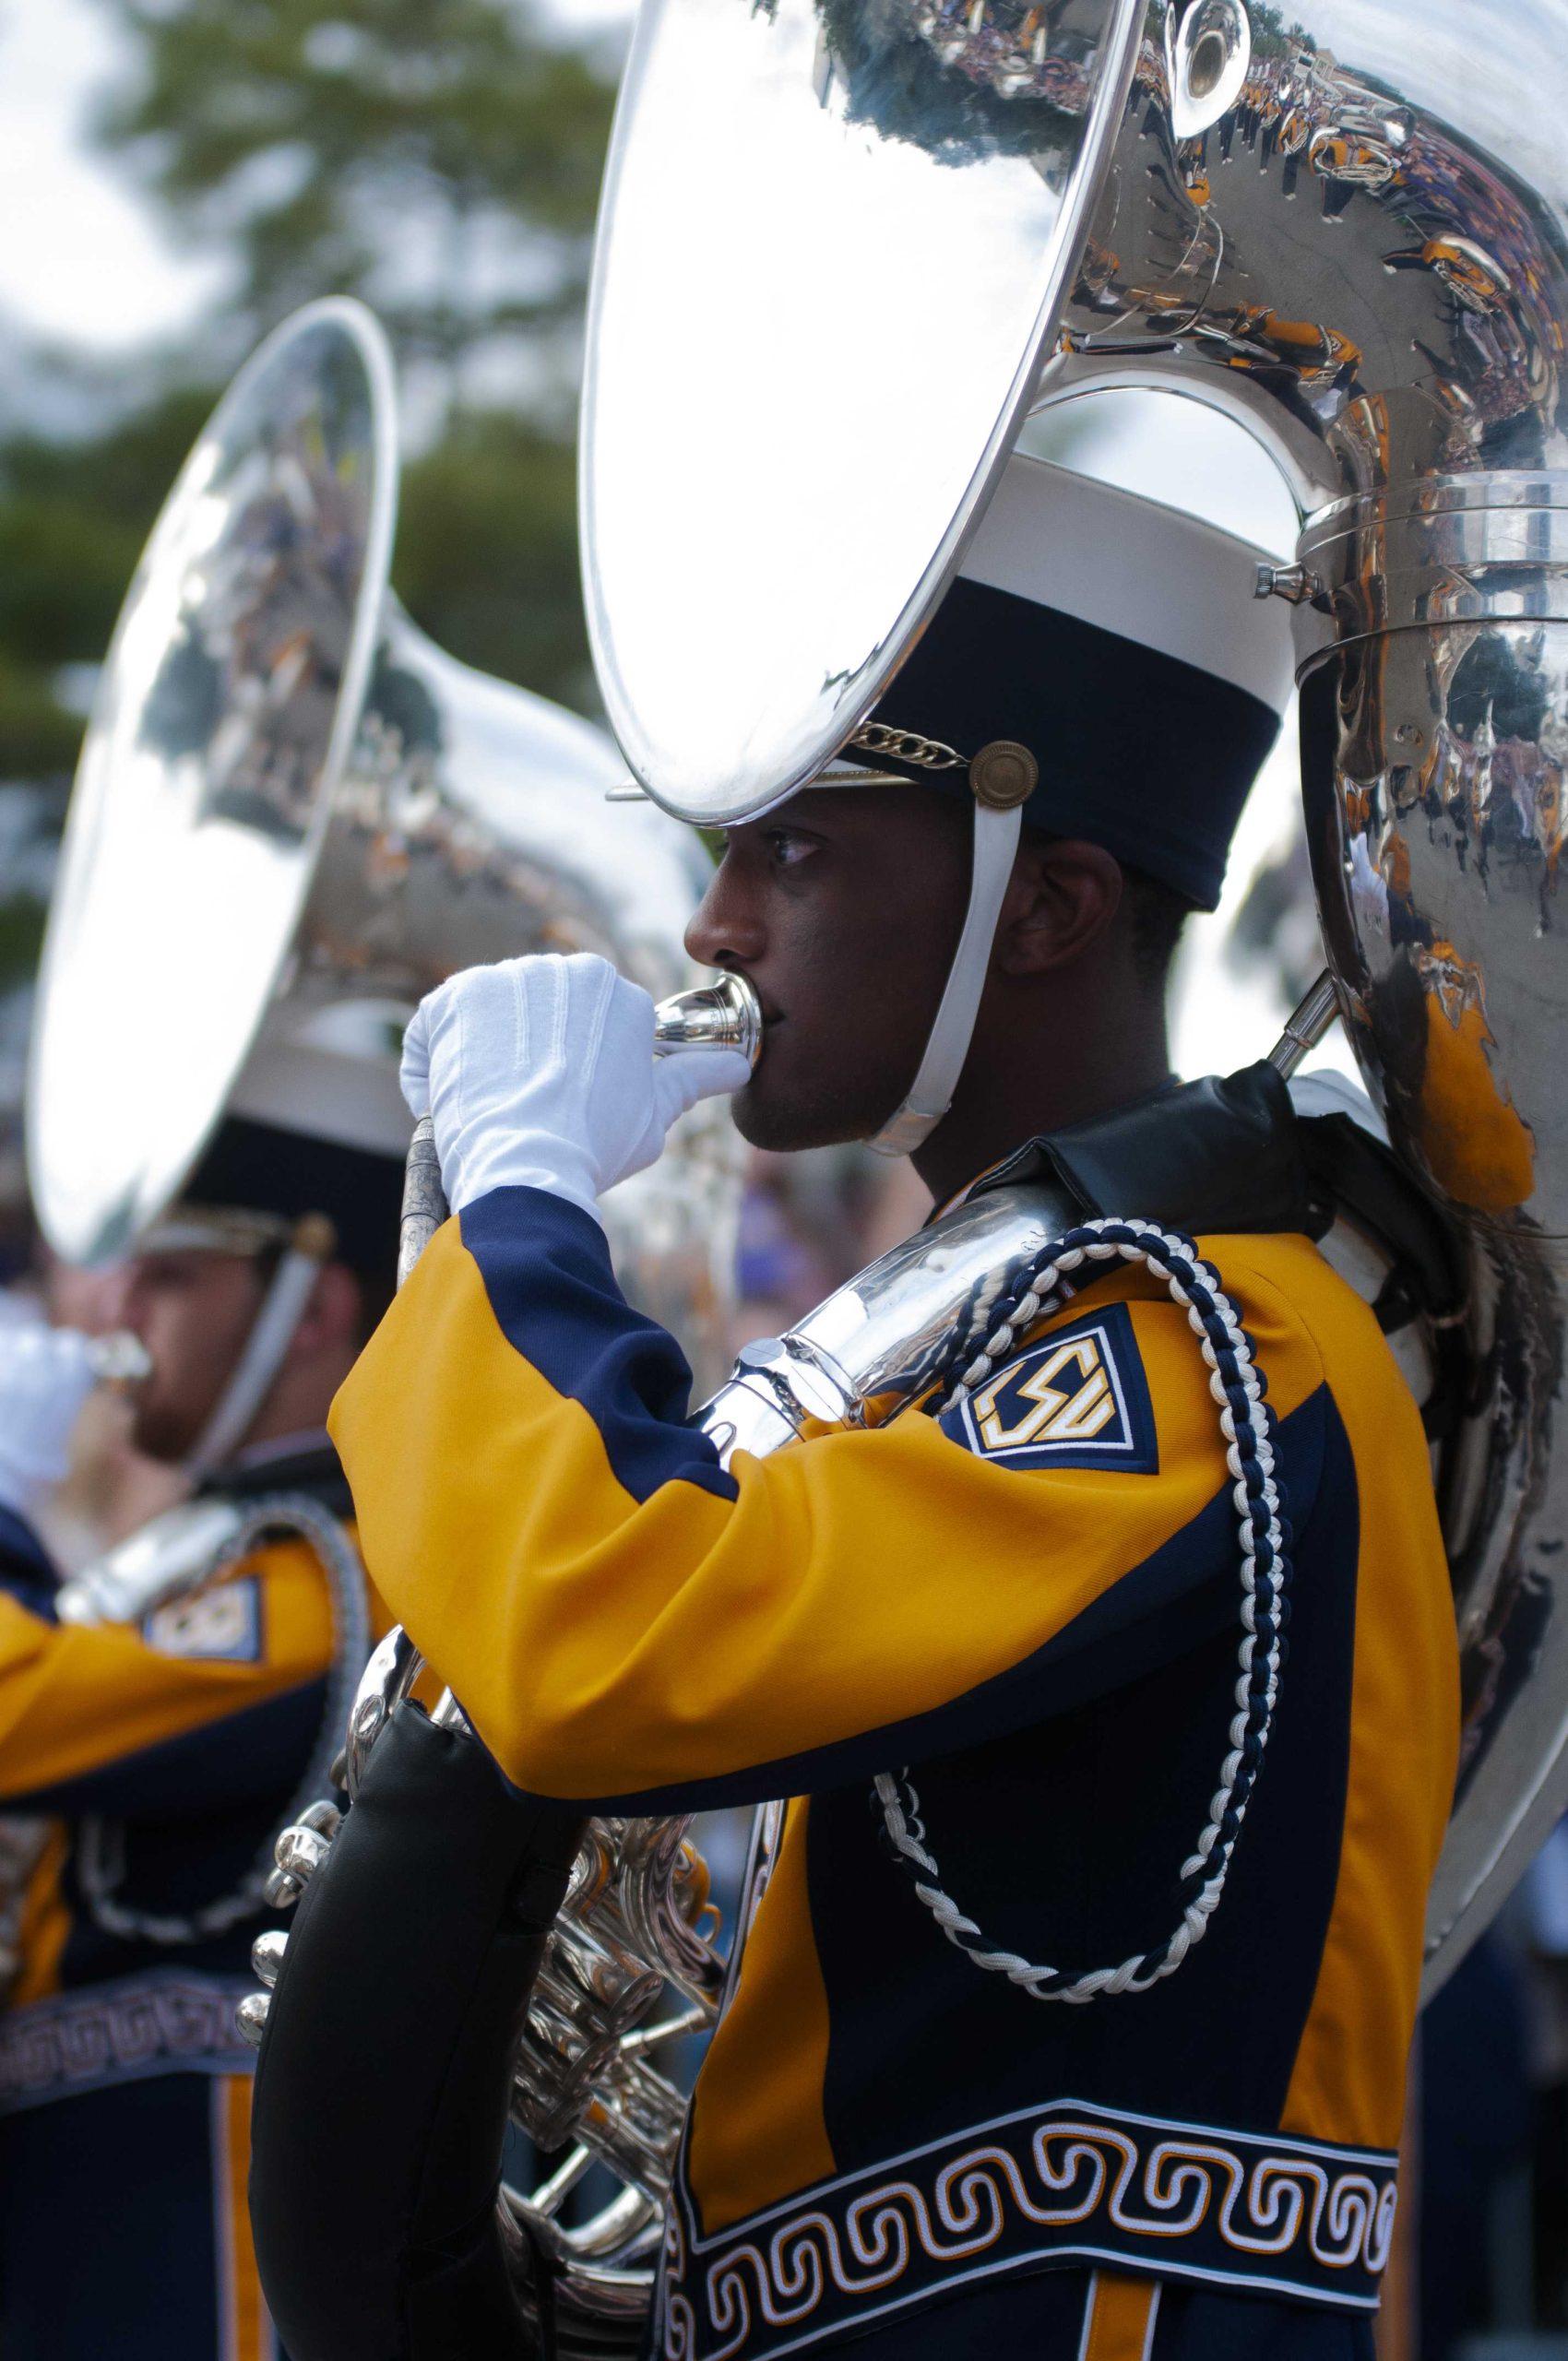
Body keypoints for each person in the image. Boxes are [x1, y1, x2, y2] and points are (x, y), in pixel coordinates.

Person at [327, 457, 1460, 2358]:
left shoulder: (1199, 1336)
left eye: (797, 852)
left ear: (1053, 905)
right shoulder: (984, 1321)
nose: (711, 924)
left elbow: (606, 1642)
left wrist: (525, 1192)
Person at [0, 1089, 404, 2361]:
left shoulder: (329, 1576)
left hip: (195, 2239)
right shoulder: (203, 1562)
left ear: (315, 1308)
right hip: (90, 2212)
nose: (121, 1317)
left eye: (169, 1278)